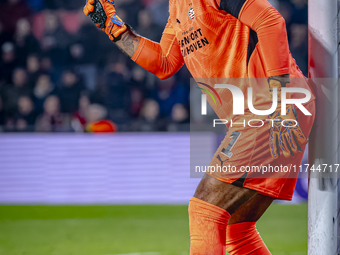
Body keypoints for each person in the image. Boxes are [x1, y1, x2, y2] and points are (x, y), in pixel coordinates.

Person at [83, 0, 316, 254]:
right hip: (268, 109)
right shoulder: (178, 8)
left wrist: (280, 98)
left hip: (272, 105)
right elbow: (164, 63)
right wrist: (113, 28)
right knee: (237, 230)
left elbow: (270, 21)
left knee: (204, 211)